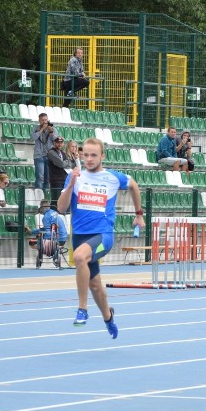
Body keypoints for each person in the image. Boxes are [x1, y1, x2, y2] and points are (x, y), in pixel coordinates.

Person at [57, 137, 145, 338]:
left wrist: (138, 214)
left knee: (79, 257)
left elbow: (134, 186)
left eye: (93, 155)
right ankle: (108, 317)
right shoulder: (75, 177)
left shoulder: (113, 178)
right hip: (79, 236)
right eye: (85, 155)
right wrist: (70, 184)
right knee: (95, 285)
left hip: (103, 236)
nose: (89, 159)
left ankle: (82, 309)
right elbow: (61, 208)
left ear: (102, 156)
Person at [30, 202, 70, 269]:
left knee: (32, 242)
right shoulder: (55, 213)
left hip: (55, 239)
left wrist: (34, 232)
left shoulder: (46, 217)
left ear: (43, 208)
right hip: (63, 237)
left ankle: (44, 254)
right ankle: (55, 253)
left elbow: (47, 231)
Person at [31, 112, 58, 190]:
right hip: (39, 156)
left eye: (45, 120)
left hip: (49, 156)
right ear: (39, 121)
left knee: (48, 179)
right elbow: (33, 138)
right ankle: (38, 196)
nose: (44, 122)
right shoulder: (36, 128)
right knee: (39, 178)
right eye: (42, 120)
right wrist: (41, 129)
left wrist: (51, 132)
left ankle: (46, 196)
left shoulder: (53, 128)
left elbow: (56, 141)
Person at [47, 136, 72, 202]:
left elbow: (69, 165)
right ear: (54, 143)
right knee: (56, 200)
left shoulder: (62, 153)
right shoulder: (51, 152)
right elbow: (61, 164)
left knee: (62, 200)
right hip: (55, 180)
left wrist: (65, 162)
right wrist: (67, 161)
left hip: (63, 179)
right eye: (58, 142)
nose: (59, 144)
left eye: (61, 142)